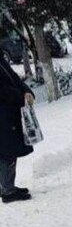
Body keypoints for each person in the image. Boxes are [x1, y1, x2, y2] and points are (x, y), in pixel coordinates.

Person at [0, 50, 35, 203]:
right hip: (3, 112)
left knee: (9, 149)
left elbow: (13, 77)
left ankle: (7, 186)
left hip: (9, 111)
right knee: (7, 150)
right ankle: (7, 190)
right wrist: (20, 96)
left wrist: (26, 91)